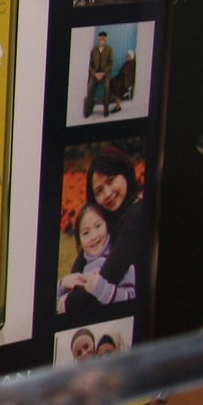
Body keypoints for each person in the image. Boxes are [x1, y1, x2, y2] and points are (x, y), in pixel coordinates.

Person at [60, 146, 146, 317]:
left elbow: (107, 278)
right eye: (99, 191)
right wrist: (64, 285)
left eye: (111, 180)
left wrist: (65, 303)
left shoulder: (137, 214)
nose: (107, 194)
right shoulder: (110, 217)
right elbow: (78, 268)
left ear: (125, 173)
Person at [56, 201, 135, 312]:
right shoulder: (82, 267)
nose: (93, 236)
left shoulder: (119, 260)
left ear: (107, 225)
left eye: (98, 226)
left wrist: (101, 289)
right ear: (80, 241)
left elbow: (131, 297)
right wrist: (62, 284)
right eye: (86, 233)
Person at [85, 30, 115, 117]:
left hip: (105, 74)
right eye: (101, 38)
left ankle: (106, 109)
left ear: (105, 39)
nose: (102, 40)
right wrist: (95, 74)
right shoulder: (94, 50)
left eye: (103, 39)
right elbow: (90, 64)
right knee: (90, 87)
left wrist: (104, 73)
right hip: (95, 74)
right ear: (99, 39)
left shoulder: (109, 49)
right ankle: (88, 109)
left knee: (107, 87)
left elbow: (110, 63)